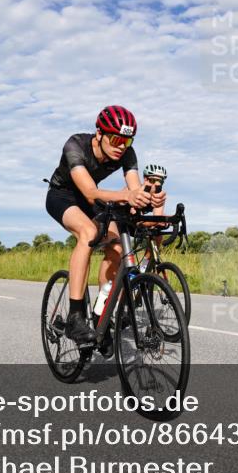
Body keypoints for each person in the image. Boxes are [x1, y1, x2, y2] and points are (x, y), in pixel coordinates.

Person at [45, 105, 165, 344]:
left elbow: (134, 189)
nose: (122, 146)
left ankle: (102, 312)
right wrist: (127, 196)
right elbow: (90, 193)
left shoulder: (126, 153)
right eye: (116, 139)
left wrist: (149, 199)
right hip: (63, 196)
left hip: (94, 200)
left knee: (117, 247)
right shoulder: (75, 146)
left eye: (127, 141)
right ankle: (75, 317)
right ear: (99, 133)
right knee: (88, 233)